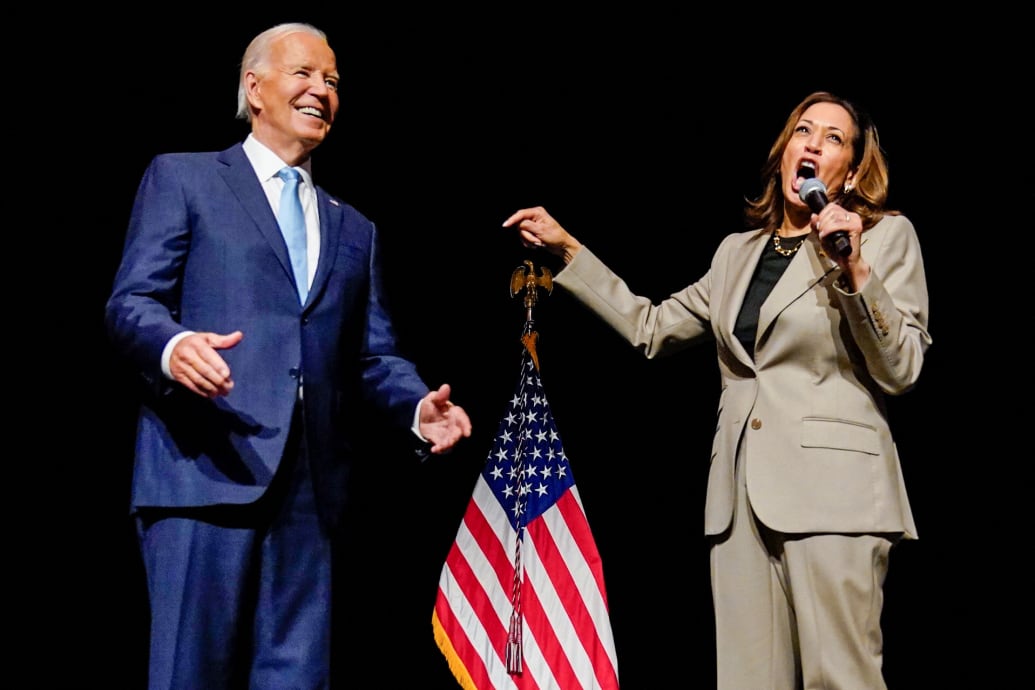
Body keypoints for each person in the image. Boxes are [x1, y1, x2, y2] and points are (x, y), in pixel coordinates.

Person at [503, 91, 931, 689]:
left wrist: (853, 268)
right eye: (803, 131)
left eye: (834, 139)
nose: (812, 144)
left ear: (853, 171)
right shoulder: (737, 254)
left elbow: (902, 366)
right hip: (739, 501)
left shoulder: (884, 238)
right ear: (785, 152)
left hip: (835, 496)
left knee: (843, 679)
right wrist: (567, 250)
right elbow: (649, 328)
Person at [105, 22, 472, 689]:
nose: (321, 90)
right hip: (203, 474)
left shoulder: (353, 226)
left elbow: (372, 356)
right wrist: (174, 345)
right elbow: (131, 304)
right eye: (304, 73)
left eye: (332, 80)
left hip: (310, 494)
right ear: (254, 87)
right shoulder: (184, 177)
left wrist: (417, 406)